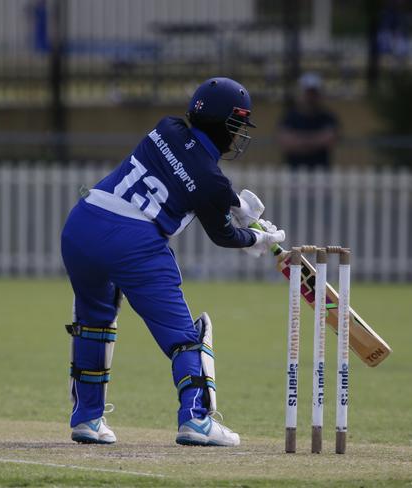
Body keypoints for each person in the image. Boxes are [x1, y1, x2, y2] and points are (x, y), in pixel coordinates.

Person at [60, 77, 285, 447]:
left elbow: (198, 174)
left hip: (82, 224)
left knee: (94, 323)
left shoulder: (167, 127)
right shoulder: (210, 180)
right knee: (186, 337)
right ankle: (196, 420)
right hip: (133, 241)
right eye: (239, 125)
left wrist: (239, 206)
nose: (240, 134)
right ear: (227, 124)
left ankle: (87, 418)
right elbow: (223, 234)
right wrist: (258, 239)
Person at [277, 72, 339, 169]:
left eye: (314, 93)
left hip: (321, 172)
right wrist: (316, 141)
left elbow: (329, 140)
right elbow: (286, 142)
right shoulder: (290, 117)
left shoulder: (328, 117)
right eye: (308, 93)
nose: (311, 97)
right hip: (294, 171)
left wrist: (299, 141)